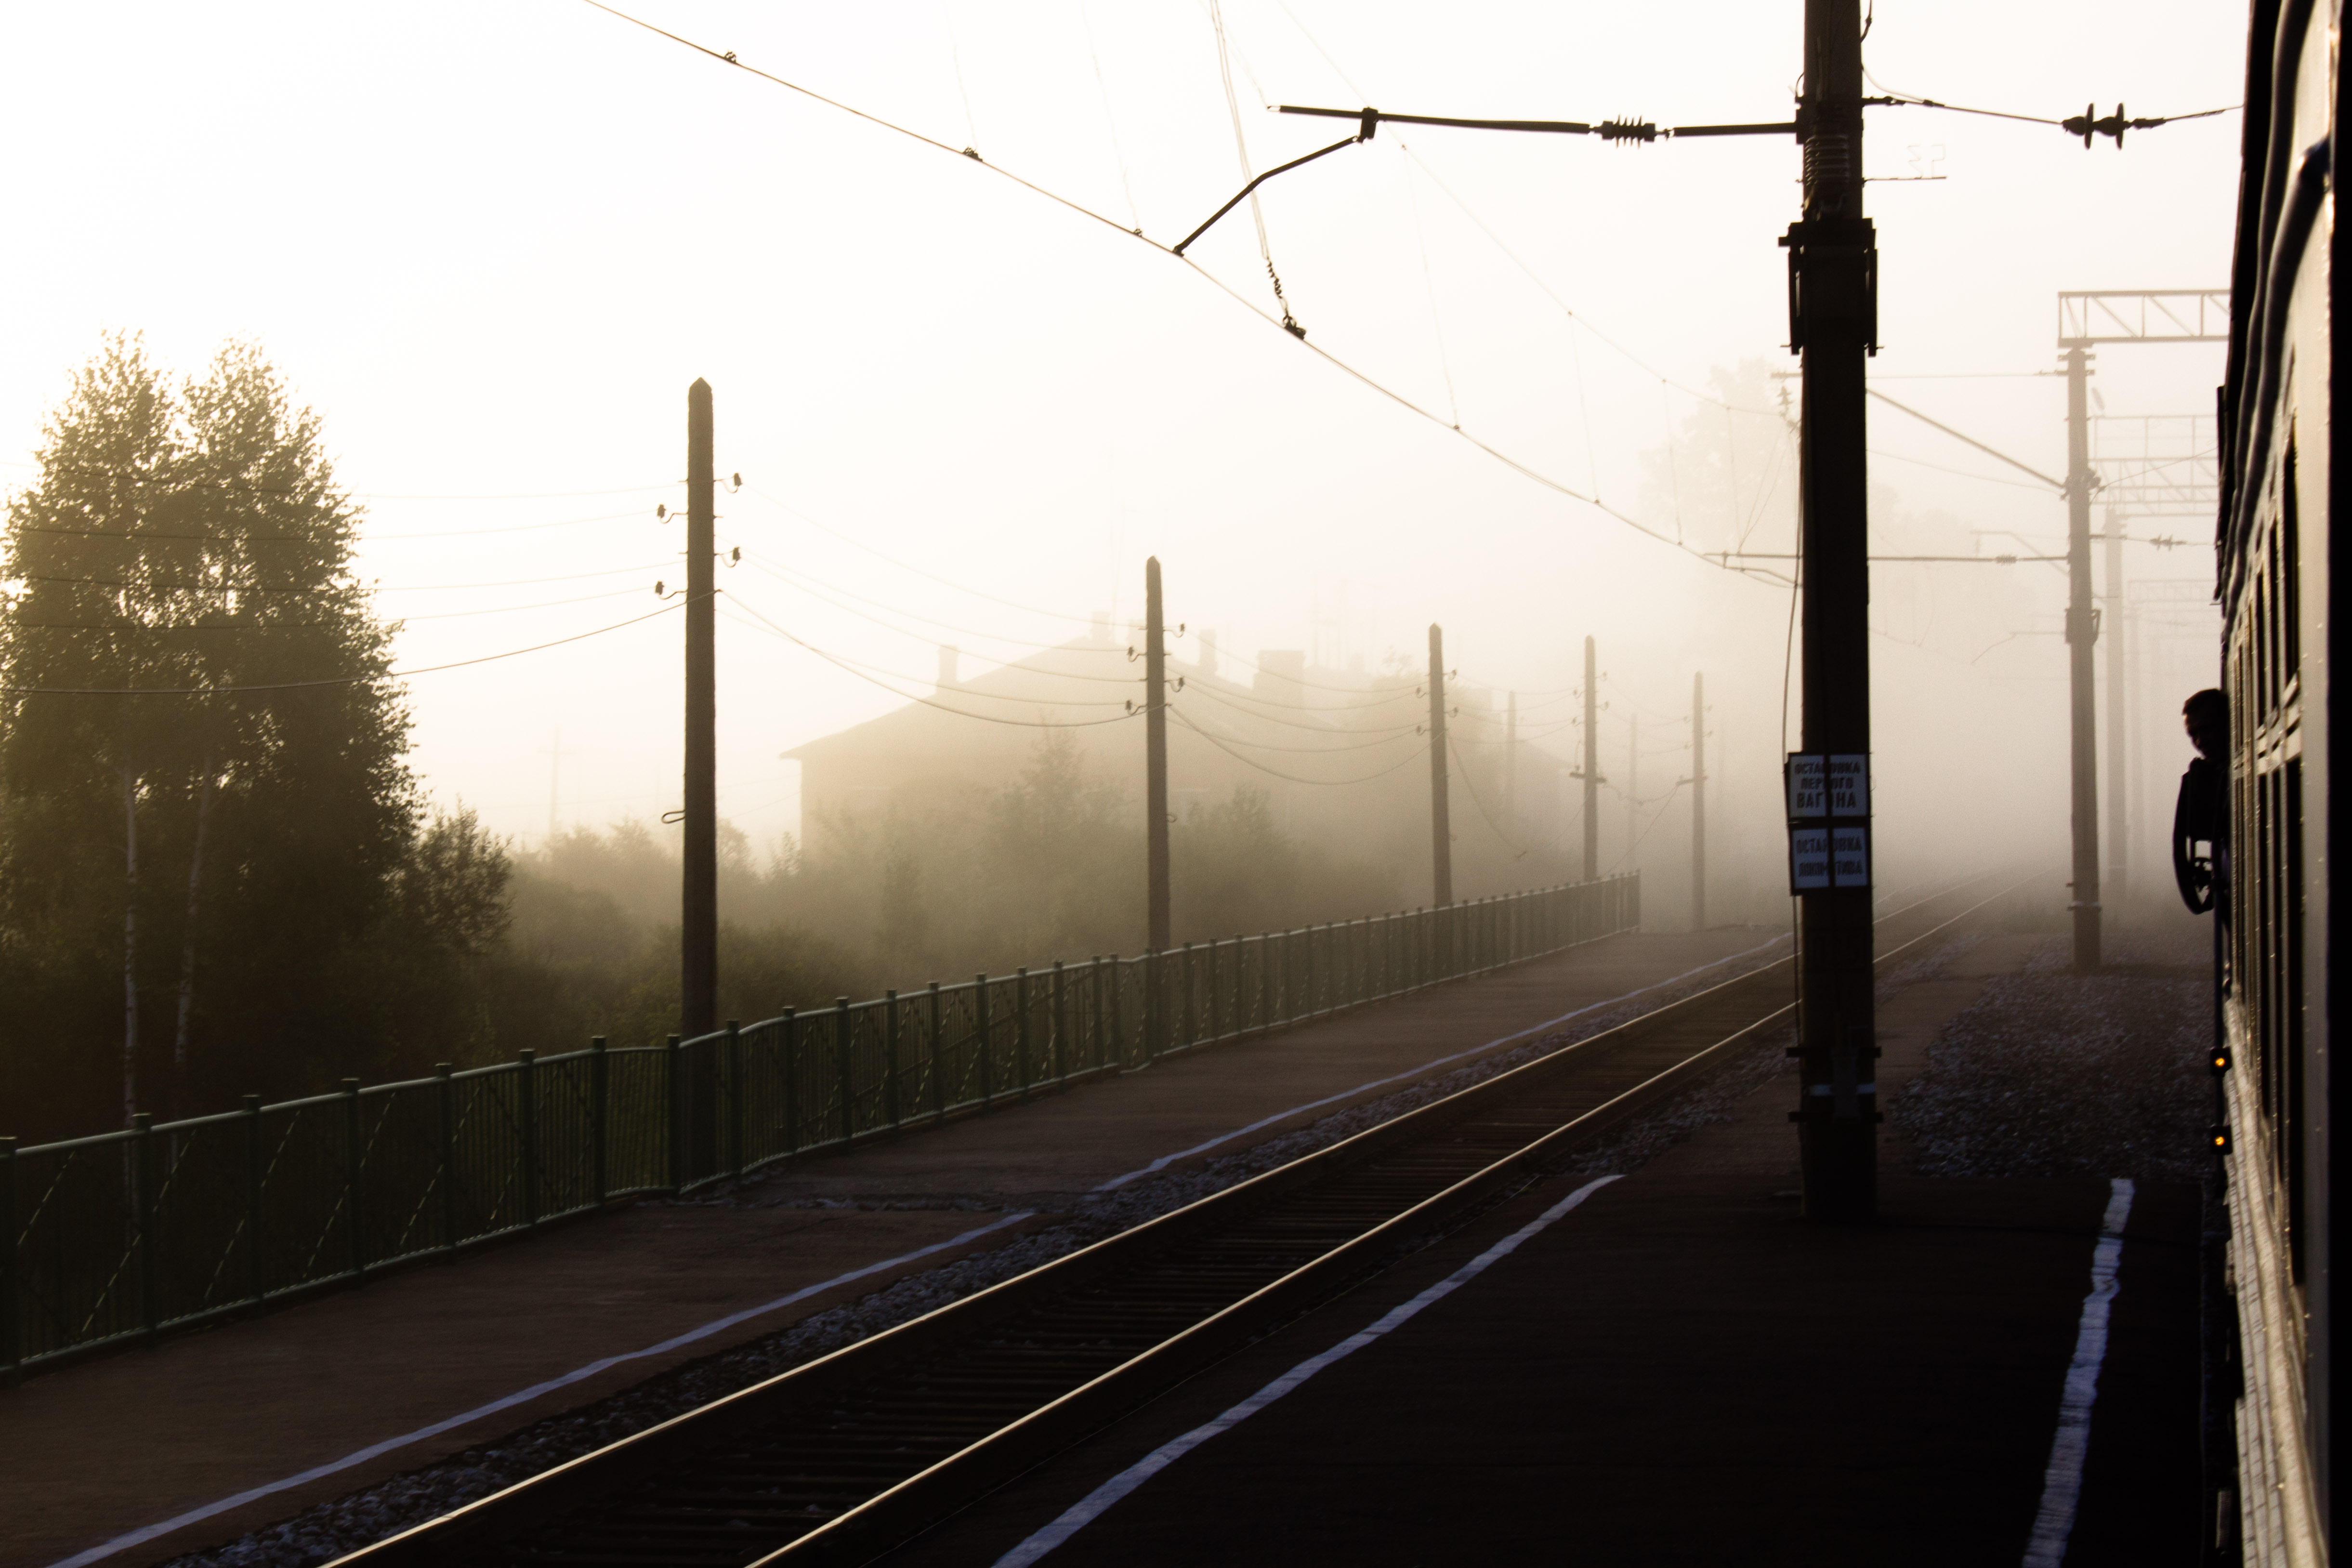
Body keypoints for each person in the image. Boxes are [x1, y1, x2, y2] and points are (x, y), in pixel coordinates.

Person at [2172, 687, 2228, 916]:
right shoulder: (2208, 775)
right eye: (2193, 733)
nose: (2199, 740)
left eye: (2206, 728)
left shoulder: (2223, 775)